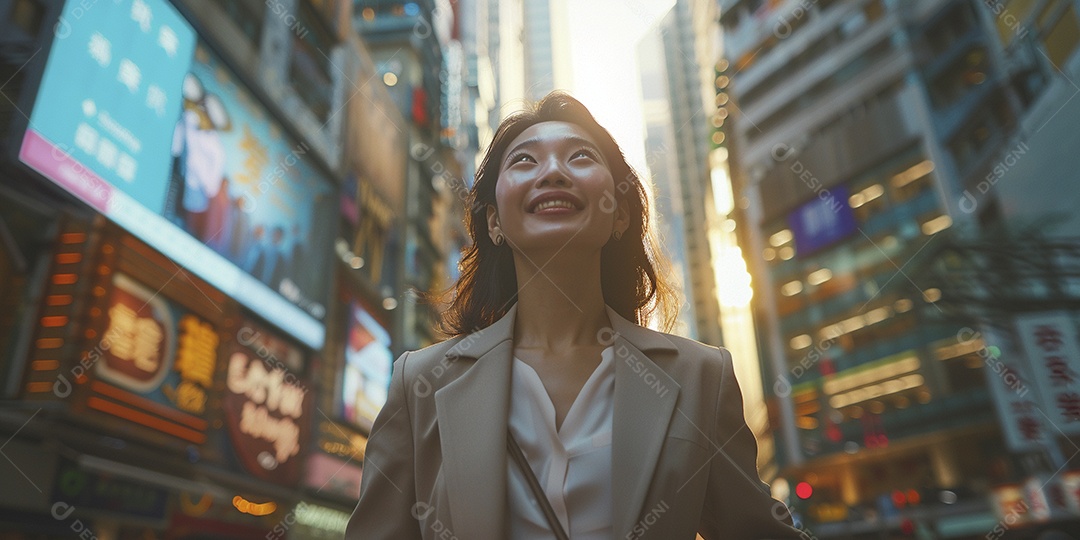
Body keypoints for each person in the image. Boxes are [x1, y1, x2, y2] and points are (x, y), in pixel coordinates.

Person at [346, 92, 801, 539]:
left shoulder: (700, 377)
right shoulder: (421, 384)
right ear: (494, 223)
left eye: (580, 157)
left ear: (620, 213)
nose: (553, 172)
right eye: (525, 161)